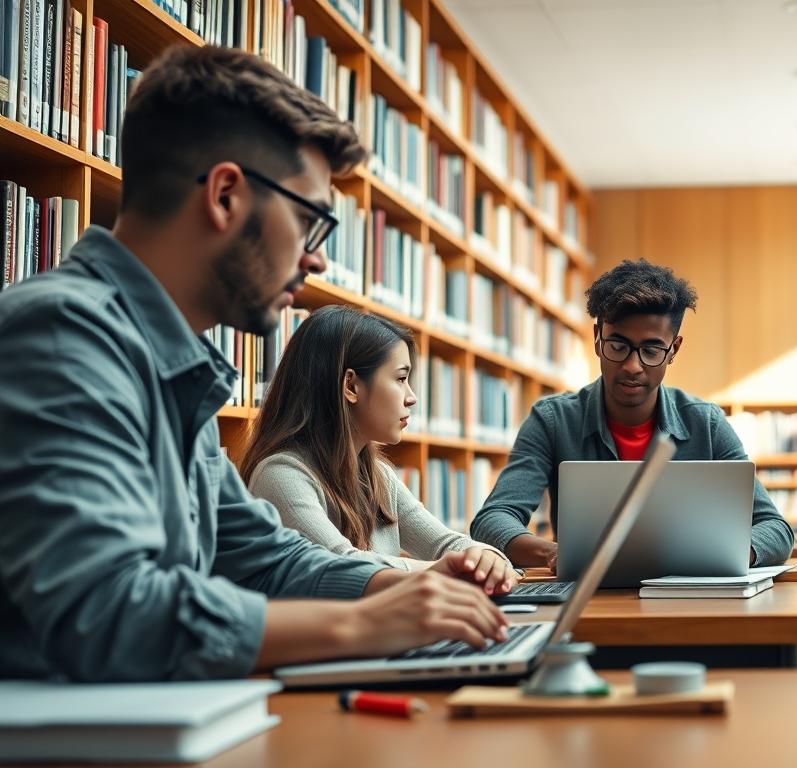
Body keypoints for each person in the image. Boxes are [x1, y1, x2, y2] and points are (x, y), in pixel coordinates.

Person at [0, 45, 508, 682]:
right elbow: (107, 611)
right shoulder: (63, 336)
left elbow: (267, 559)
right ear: (225, 195)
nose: (316, 260)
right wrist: (365, 622)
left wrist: (402, 587)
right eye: (306, 220)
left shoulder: (167, 369)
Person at [470, 258, 794, 569]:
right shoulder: (553, 420)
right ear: (598, 339)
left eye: (651, 351)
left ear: (673, 351)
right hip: (588, 603)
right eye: (618, 346)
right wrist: (556, 553)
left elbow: (775, 529)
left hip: (687, 601)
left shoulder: (705, 423)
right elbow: (492, 520)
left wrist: (717, 554)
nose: (632, 366)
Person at [241, 305, 516, 594]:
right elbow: (341, 566)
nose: (412, 398)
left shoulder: (379, 476)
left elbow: (446, 543)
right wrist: (445, 570)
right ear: (351, 386)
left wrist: (487, 559)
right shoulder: (280, 476)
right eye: (400, 379)